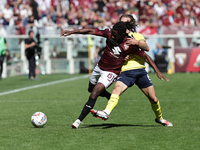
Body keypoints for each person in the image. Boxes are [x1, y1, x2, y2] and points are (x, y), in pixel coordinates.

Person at [61, 21, 149, 129]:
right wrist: (73, 31)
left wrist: (139, 44)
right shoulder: (109, 33)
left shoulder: (130, 43)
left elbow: (145, 52)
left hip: (111, 72)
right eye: (112, 33)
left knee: (94, 93)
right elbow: (90, 31)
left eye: (115, 35)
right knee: (90, 89)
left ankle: (78, 121)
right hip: (99, 68)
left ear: (122, 35)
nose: (112, 36)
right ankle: (108, 96)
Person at [91, 14, 173, 127]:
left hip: (140, 71)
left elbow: (146, 49)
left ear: (131, 24)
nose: (123, 24)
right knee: (116, 90)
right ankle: (106, 112)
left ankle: (160, 118)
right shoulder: (116, 37)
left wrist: (137, 43)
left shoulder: (137, 36)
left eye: (125, 22)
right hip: (125, 71)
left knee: (154, 99)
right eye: (121, 22)